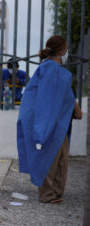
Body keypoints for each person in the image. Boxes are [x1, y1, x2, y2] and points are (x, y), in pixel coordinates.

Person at [17, 35, 82, 203]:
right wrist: (43, 126)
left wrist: (75, 109)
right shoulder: (51, 69)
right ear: (62, 51)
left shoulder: (53, 70)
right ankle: (48, 194)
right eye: (66, 48)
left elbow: (66, 93)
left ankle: (56, 193)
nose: (67, 51)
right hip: (51, 122)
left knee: (61, 159)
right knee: (51, 157)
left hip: (59, 121)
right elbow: (46, 100)